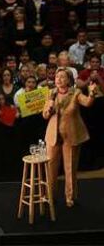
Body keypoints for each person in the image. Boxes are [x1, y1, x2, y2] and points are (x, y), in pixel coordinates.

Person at [43, 68, 98, 207]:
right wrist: (49, 107)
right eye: (57, 77)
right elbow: (44, 115)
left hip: (71, 134)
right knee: (51, 167)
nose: (59, 79)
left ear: (68, 80)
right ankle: (49, 195)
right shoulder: (51, 94)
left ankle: (70, 197)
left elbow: (87, 103)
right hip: (53, 135)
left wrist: (92, 92)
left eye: (62, 77)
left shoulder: (76, 93)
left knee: (70, 167)